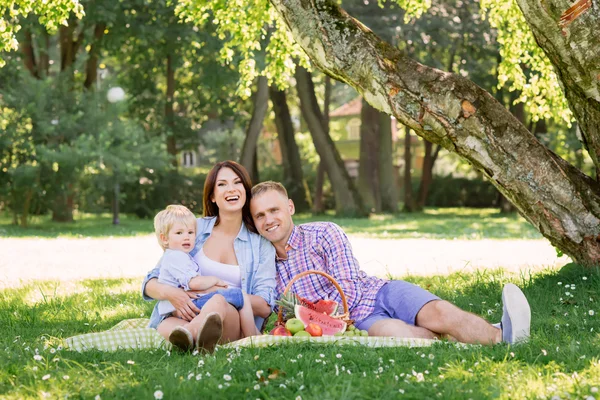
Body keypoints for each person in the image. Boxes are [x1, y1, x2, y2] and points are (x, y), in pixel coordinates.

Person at [249, 181, 531, 345]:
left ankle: (502, 336)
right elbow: (278, 310)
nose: (268, 220)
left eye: (274, 210)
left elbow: (346, 285)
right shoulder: (264, 264)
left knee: (439, 313)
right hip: (359, 321)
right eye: (260, 215)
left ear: (290, 208)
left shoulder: (324, 232)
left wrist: (322, 316)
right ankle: (475, 336)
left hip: (379, 291)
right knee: (399, 335)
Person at [142, 161, 276, 353]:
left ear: (245, 191)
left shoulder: (261, 245)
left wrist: (216, 293)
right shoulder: (193, 229)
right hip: (183, 314)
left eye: (237, 182)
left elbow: (265, 306)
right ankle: (193, 338)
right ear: (212, 196)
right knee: (165, 324)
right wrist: (172, 294)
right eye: (222, 184)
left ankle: (191, 334)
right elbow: (150, 281)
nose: (231, 189)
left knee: (218, 302)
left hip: (229, 320)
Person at [151, 204, 260, 351]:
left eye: (190, 232)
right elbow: (194, 283)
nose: (186, 237)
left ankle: (194, 337)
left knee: (222, 302)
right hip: (186, 306)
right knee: (226, 299)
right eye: (179, 233)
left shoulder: (179, 256)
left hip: (180, 311)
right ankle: (251, 338)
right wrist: (214, 280)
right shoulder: (177, 257)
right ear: (164, 239)